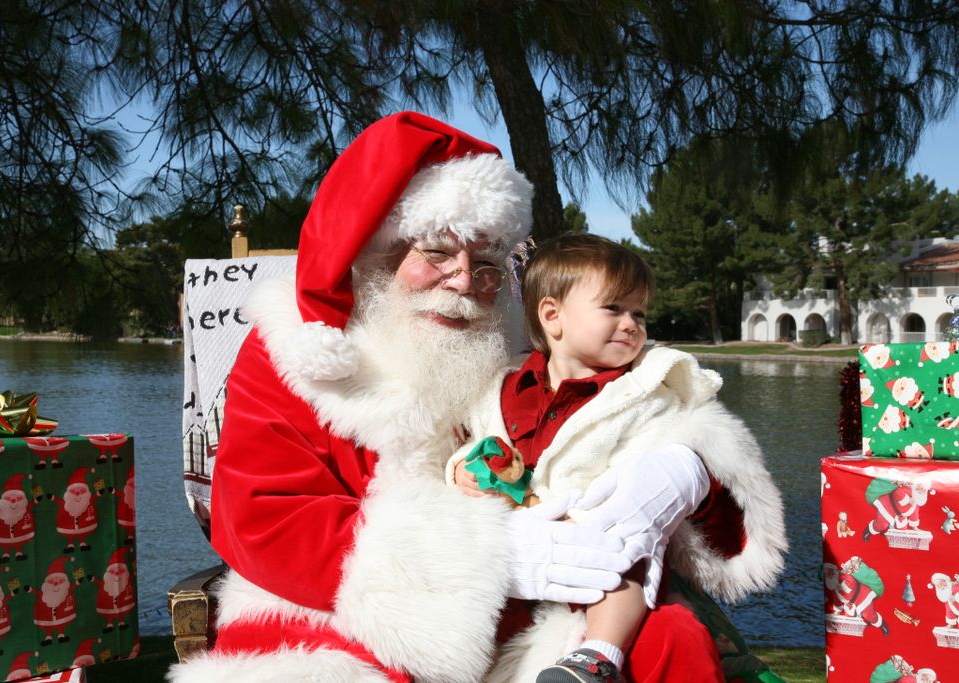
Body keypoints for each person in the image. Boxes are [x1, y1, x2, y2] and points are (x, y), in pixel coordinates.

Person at [166, 112, 784, 683]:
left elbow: (618, 439)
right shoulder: (296, 352)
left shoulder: (521, 356)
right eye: (436, 254)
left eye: (487, 263)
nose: (465, 281)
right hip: (341, 608)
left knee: (669, 635)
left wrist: (687, 468)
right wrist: (489, 553)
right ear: (378, 255)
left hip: (534, 607)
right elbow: (262, 518)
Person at [449, 234, 788, 682]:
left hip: (608, 558)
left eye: (640, 313)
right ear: (552, 316)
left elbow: (682, 463)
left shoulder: (649, 393)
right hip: (516, 568)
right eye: (614, 309)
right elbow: (473, 446)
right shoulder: (501, 390)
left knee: (657, 604)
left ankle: (598, 655)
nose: (632, 324)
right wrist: (460, 470)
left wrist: (672, 482)